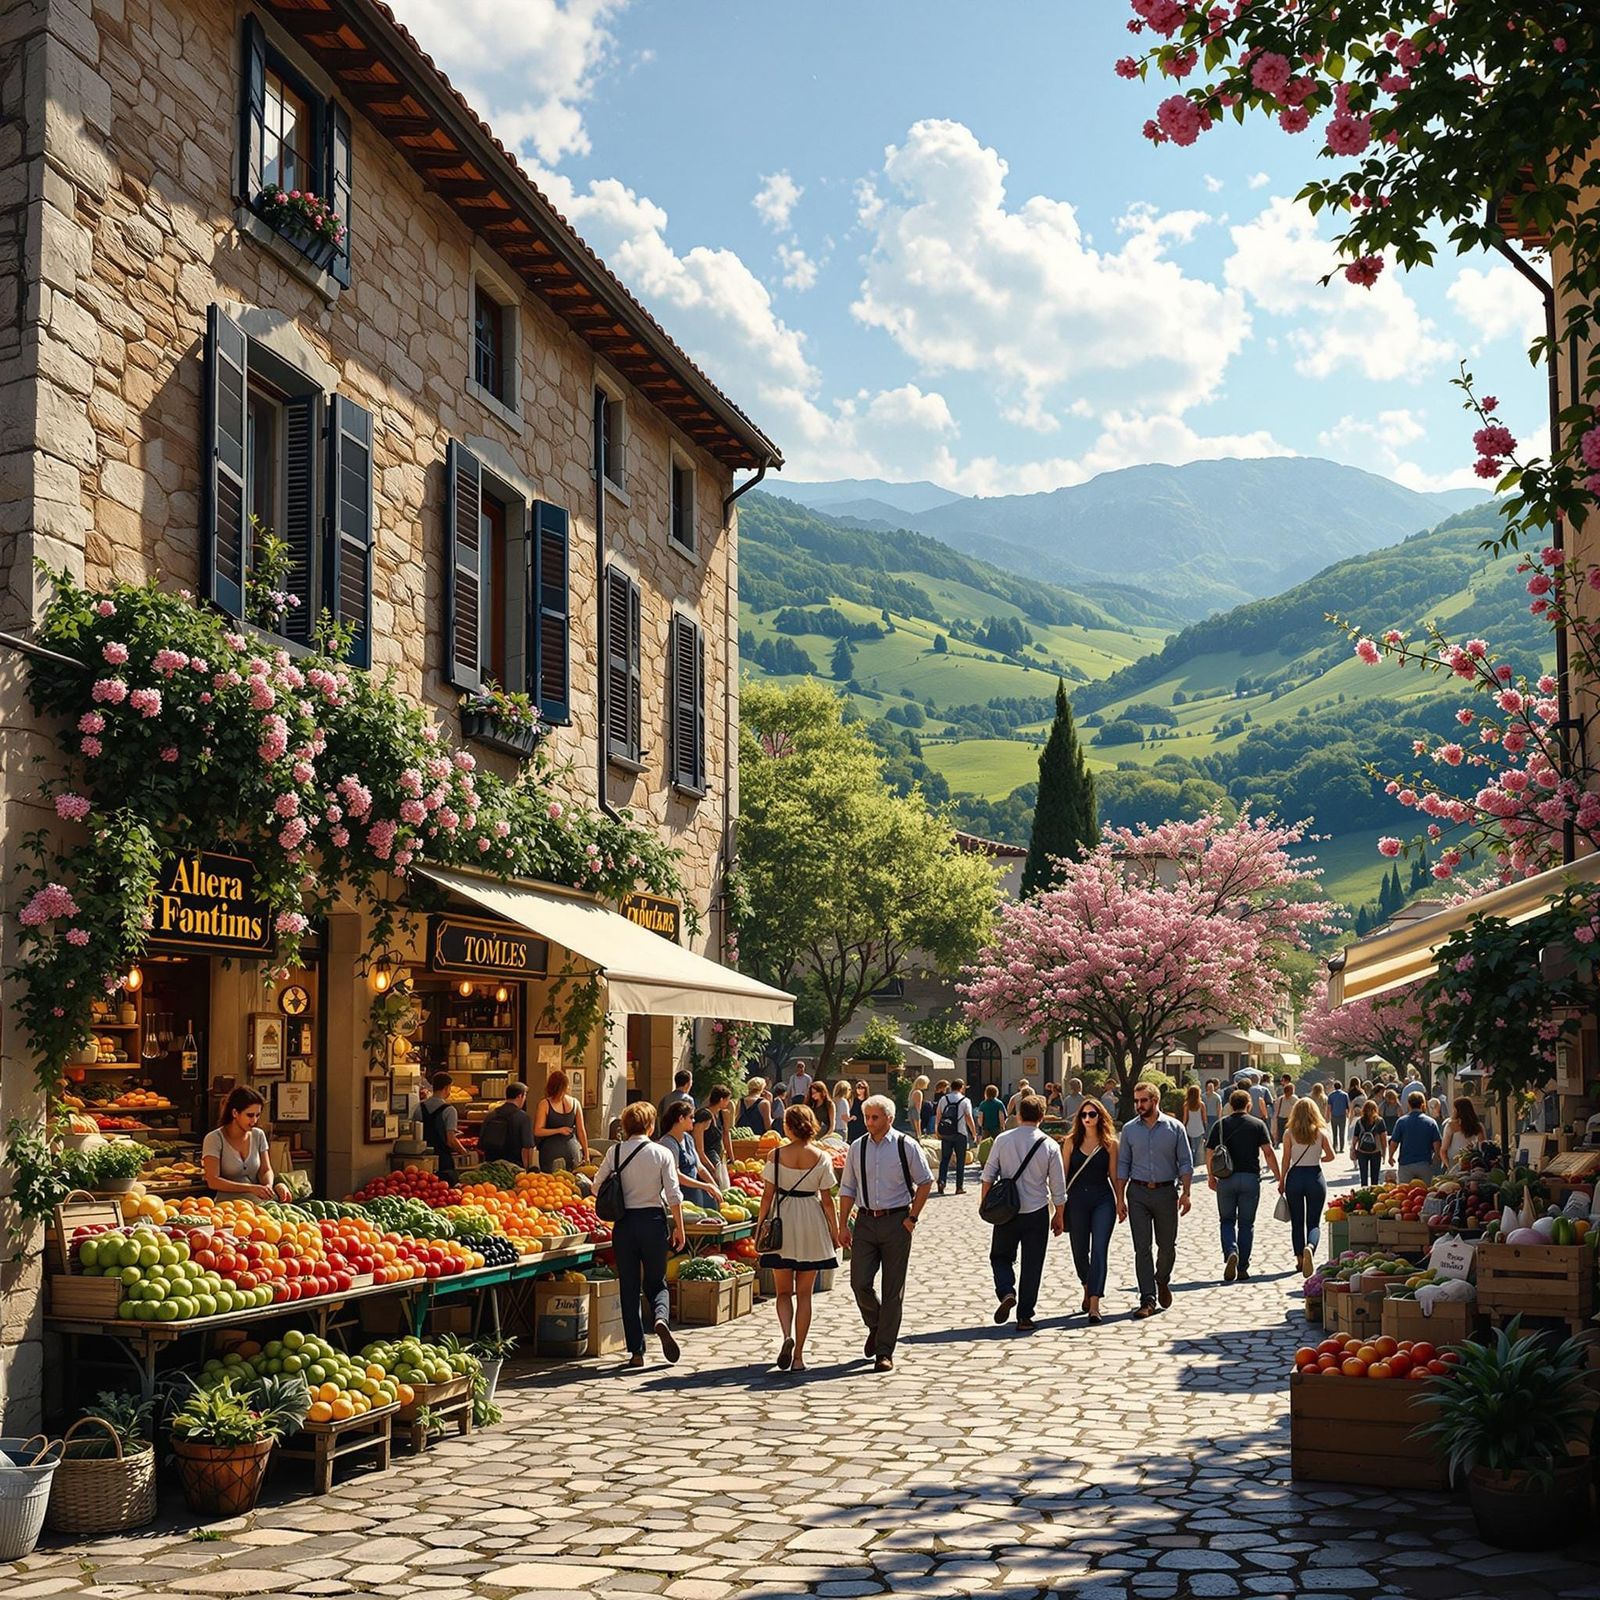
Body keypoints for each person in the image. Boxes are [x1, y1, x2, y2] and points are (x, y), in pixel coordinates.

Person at [837, 1095, 933, 1371]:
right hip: (865, 1222)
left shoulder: (906, 1145)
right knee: (859, 1282)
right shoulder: (858, 1147)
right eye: (867, 1117)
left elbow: (925, 1182)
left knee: (893, 1289)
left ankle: (884, 1351)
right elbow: (847, 1189)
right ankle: (877, 1325)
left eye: (875, 1117)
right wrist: (843, 1225)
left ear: (889, 1119)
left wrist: (912, 1218)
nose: (869, 1122)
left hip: (897, 1221)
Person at [597, 1102, 685, 1368]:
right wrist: (679, 1227)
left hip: (624, 1224)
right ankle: (660, 1318)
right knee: (657, 1282)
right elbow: (673, 1195)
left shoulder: (615, 1152)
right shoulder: (661, 1153)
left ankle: (636, 1351)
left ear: (625, 1125)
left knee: (629, 1285)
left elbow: (595, 1185)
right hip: (653, 1221)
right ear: (650, 1125)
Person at [754, 1104, 841, 1372]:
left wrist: (760, 1227)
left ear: (789, 1127)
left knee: (783, 1292)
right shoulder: (821, 1157)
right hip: (811, 1223)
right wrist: (835, 1232)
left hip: (783, 1221)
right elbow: (828, 1201)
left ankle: (786, 1336)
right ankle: (799, 1356)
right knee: (805, 1295)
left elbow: (767, 1196)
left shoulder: (775, 1155)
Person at [981, 1093, 1067, 1332]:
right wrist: (1059, 1215)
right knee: (1032, 1264)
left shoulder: (1003, 1140)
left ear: (1018, 1115)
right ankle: (1025, 1316)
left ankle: (1007, 1290)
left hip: (1007, 1211)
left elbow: (988, 1175)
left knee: (999, 1257)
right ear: (1042, 1117)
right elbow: (1058, 1186)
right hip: (1036, 1211)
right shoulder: (1049, 1144)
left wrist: (985, 1204)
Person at [1113, 1081, 1193, 1318]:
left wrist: (1186, 1193)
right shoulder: (1129, 1129)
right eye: (1137, 1101)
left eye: (1143, 1100)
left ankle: (1162, 1279)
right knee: (1142, 1247)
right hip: (1137, 1193)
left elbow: (1186, 1162)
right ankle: (1147, 1298)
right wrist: (1120, 1198)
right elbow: (1123, 1165)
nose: (1139, 1105)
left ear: (1155, 1101)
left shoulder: (1175, 1127)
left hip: (1166, 1192)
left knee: (1167, 1246)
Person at [1204, 1088, 1280, 1283]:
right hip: (1249, 1178)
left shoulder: (1220, 1125)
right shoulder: (1257, 1124)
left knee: (1227, 1220)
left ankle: (1231, 1250)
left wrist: (1211, 1176)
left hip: (1226, 1178)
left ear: (1230, 1105)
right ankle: (1243, 1267)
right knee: (1247, 1224)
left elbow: (1210, 1152)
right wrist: (1278, 1175)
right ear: (1249, 1105)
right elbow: (1268, 1152)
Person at [1061, 1094, 1118, 1323]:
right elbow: (1063, 1176)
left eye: (1092, 1114)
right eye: (1083, 1115)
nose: (1087, 1118)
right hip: (1076, 1201)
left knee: (1099, 1250)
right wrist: (1059, 1208)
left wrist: (1121, 1201)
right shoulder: (1070, 1142)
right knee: (1079, 1250)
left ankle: (1095, 1302)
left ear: (1100, 1116)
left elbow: (1114, 1176)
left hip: (1103, 1199)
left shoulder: (1110, 1143)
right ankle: (1086, 1284)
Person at [1280, 1097, 1335, 1277]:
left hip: (1295, 1177)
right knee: (1313, 1222)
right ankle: (1310, 1247)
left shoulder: (1289, 1133)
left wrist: (1281, 1180)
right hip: (1315, 1177)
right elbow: (1331, 1156)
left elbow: (1286, 1159)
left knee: (1297, 1221)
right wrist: (1319, 1158)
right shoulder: (1320, 1132)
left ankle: (1299, 1260)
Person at [203, 1087, 290, 1200]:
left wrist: (268, 1186)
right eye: (250, 1115)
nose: (254, 1120)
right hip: (229, 1207)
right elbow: (213, 1181)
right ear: (235, 1113)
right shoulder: (214, 1139)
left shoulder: (258, 1135)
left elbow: (265, 1170)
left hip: (259, 1203)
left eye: (257, 1115)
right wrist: (250, 1188)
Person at [659, 1100, 723, 1211]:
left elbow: (699, 1168)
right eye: (691, 1117)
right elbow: (676, 1175)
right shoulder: (668, 1143)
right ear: (681, 1119)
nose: (693, 1120)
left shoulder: (688, 1138)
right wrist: (705, 1186)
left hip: (694, 1195)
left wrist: (714, 1186)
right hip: (679, 1199)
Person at [412, 1071, 467, 1183]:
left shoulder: (419, 1107)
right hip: (443, 1160)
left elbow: (415, 1133)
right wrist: (463, 1151)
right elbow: (450, 1140)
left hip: (423, 1158)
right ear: (447, 1087)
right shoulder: (450, 1110)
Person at [532, 1069, 589, 1173]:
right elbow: (581, 1131)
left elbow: (537, 1131)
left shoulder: (545, 1104)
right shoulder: (575, 1103)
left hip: (551, 1152)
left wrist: (557, 1130)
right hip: (573, 1149)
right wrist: (586, 1154)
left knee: (553, 1186)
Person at [477, 1081, 536, 1169]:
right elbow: (527, 1148)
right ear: (520, 1096)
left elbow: (480, 1146)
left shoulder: (491, 1115)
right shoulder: (523, 1118)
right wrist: (527, 1168)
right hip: (514, 1167)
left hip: (492, 1166)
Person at [933, 1079, 978, 1194]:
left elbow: (938, 1115)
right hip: (960, 1133)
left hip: (946, 1133)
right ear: (961, 1088)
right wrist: (974, 1133)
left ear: (951, 1087)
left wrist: (937, 1130)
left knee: (945, 1159)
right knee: (960, 1161)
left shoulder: (944, 1099)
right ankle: (959, 1187)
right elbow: (968, 1117)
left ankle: (942, 1181)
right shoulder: (965, 1100)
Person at [1390, 1090, 1443, 1182]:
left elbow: (1394, 1142)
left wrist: (1390, 1156)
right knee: (1426, 1193)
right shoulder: (1430, 1122)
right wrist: (1436, 1159)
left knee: (1404, 1193)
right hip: (1424, 1163)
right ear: (1423, 1104)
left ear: (1409, 1104)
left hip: (1406, 1164)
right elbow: (1437, 1144)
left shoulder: (1401, 1121)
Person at [694, 1085, 734, 1189]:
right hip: (706, 1161)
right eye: (727, 1100)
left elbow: (726, 1134)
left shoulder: (721, 1114)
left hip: (716, 1160)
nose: (728, 1103)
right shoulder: (703, 1115)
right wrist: (712, 1170)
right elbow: (699, 1149)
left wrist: (731, 1157)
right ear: (721, 1100)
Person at [1441, 1098, 1484, 1168]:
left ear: (1458, 1111)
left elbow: (1443, 1150)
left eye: (1454, 1109)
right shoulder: (1478, 1126)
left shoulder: (1450, 1126)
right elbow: (1483, 1147)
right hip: (1474, 1165)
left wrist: (1449, 1167)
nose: (1453, 1112)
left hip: (1457, 1166)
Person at [1351, 1100, 1386, 1185]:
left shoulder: (1359, 1121)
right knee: (1375, 1177)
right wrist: (1384, 1152)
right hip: (1376, 1151)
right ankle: (1373, 1194)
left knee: (1363, 1176)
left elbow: (1355, 1137)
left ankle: (1364, 1193)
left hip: (1362, 1151)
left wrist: (1352, 1149)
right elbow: (1383, 1138)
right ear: (1375, 1109)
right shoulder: (1380, 1121)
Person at [1181, 1084, 1208, 1167]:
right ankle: (1197, 1162)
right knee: (1198, 1147)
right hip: (1199, 1127)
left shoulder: (1186, 1105)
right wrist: (1206, 1127)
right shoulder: (1201, 1104)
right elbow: (1204, 1118)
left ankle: (1192, 1161)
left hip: (1190, 1127)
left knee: (1191, 1146)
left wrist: (1183, 1126)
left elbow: (1185, 1118)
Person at [1327, 1080, 1350, 1153]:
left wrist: (1328, 1116)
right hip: (1342, 1116)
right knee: (1342, 1132)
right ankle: (1341, 1148)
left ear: (1334, 1087)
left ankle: (1334, 1147)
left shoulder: (1330, 1095)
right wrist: (1348, 1115)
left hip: (1334, 1115)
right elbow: (1348, 1106)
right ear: (1341, 1086)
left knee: (1334, 1133)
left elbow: (1329, 1107)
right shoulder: (1345, 1095)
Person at [1272, 1077, 1297, 1145]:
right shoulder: (1293, 1098)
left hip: (1283, 1118)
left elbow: (1276, 1108)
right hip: (1288, 1119)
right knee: (1286, 1134)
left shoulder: (1281, 1098)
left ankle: (1281, 1143)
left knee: (1282, 1133)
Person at [846, 1080, 870, 1144]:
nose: (859, 1089)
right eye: (858, 1087)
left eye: (862, 1088)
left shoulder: (868, 1101)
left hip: (864, 1125)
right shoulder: (853, 1100)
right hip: (853, 1125)